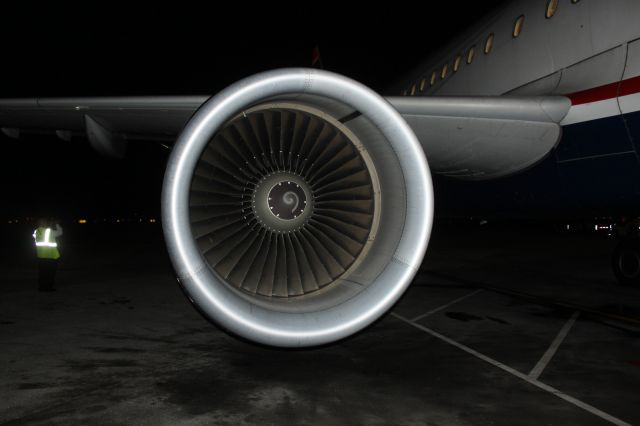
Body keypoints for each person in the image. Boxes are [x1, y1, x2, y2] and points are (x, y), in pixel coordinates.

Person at [32, 218, 63, 291]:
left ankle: (41, 287)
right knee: (50, 273)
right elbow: (60, 232)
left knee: (42, 273)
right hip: (51, 256)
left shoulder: (36, 231)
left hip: (41, 256)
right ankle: (48, 287)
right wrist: (57, 224)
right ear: (44, 223)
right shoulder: (49, 231)